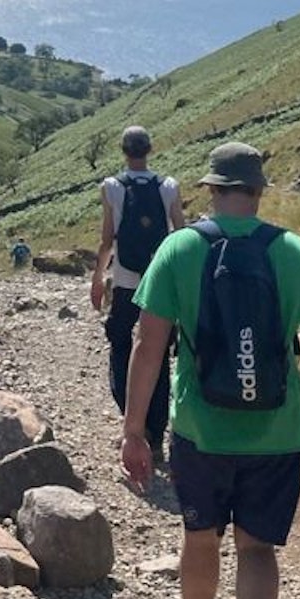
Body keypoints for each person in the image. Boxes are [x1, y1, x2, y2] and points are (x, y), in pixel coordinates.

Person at [120, 141, 300, 599]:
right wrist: (283, 347)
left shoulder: (180, 249)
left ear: (212, 188)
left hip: (200, 431)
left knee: (200, 541)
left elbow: (147, 346)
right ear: (259, 190)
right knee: (256, 549)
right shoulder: (293, 252)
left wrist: (134, 431)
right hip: (275, 436)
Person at [90, 126, 185, 461]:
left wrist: (99, 279)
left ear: (123, 151)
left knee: (121, 345)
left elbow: (107, 239)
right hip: (160, 283)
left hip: (126, 281)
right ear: (150, 149)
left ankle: (131, 417)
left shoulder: (112, 187)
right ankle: (156, 432)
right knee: (158, 353)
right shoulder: (168, 186)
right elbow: (180, 236)